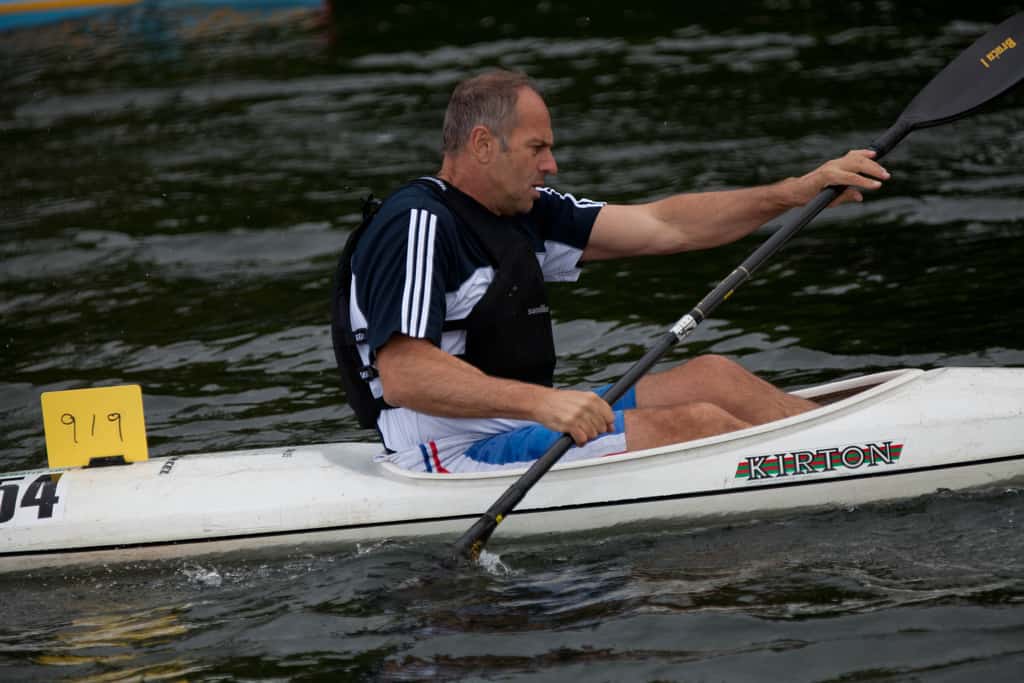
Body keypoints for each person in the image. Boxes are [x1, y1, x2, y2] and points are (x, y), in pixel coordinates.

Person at [332, 69, 889, 474]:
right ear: (483, 145)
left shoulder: (526, 210)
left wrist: (793, 194)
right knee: (696, 424)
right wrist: (542, 403)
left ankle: (881, 448)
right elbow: (406, 375)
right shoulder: (417, 226)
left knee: (713, 377)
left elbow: (665, 225)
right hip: (445, 452)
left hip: (520, 423)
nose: (551, 164)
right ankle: (854, 470)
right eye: (537, 148)